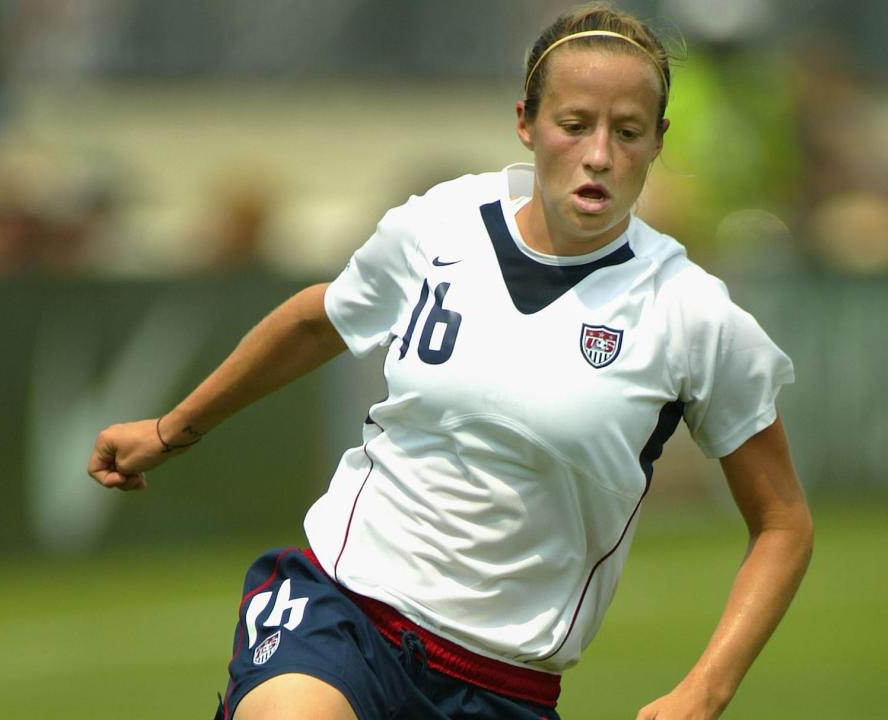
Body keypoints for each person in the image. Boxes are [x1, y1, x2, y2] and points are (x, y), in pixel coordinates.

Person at [87, 4, 813, 719]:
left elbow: (782, 524)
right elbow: (319, 319)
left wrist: (704, 692)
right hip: (346, 611)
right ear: (525, 121)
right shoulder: (439, 224)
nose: (599, 154)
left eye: (626, 132)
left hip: (502, 685)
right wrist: (172, 427)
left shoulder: (694, 314)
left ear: (658, 142)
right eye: (574, 124)